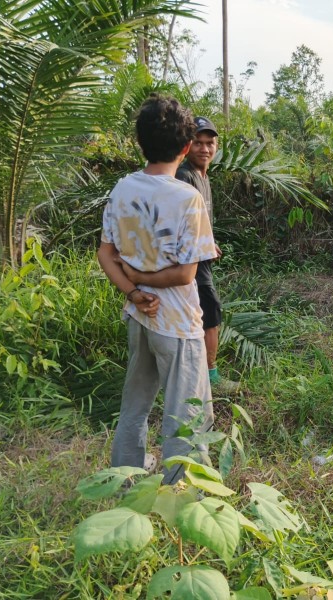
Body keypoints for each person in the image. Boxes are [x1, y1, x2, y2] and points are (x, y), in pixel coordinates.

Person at [97, 94, 218, 484]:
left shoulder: (123, 187)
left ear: (140, 142)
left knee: (135, 403)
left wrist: (133, 290)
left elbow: (106, 254)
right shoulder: (187, 198)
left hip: (139, 314)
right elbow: (186, 275)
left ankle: (124, 474)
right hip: (178, 323)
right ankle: (182, 491)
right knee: (187, 412)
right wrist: (144, 282)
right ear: (186, 147)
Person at [175, 117, 238, 394]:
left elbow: (200, 220)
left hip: (201, 256)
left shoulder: (202, 175)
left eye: (209, 143)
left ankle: (196, 373)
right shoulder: (185, 176)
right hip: (190, 260)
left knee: (201, 312)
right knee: (210, 311)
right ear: (188, 146)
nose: (204, 148)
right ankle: (210, 377)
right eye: (198, 143)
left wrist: (210, 241)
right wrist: (201, 245)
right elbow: (181, 221)